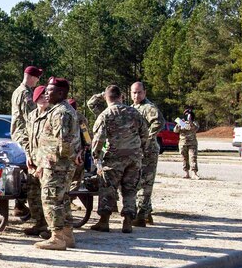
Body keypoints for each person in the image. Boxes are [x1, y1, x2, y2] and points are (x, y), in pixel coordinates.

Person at [89, 85, 149, 234]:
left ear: (106, 98)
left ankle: (104, 221)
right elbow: (145, 134)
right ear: (121, 96)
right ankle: (127, 222)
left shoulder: (105, 115)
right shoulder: (134, 112)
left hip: (113, 158)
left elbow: (98, 139)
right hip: (134, 158)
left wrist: (96, 157)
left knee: (107, 189)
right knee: (130, 190)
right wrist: (139, 150)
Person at [31, 77, 80, 250]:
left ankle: (57, 237)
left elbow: (64, 142)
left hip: (56, 166)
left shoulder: (61, 112)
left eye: (49, 90)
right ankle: (67, 236)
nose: (45, 93)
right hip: (56, 165)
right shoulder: (58, 110)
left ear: (60, 93)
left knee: (51, 199)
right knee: (62, 200)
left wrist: (51, 163)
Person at [130, 81, 164, 226]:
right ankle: (147, 212)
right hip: (137, 150)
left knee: (145, 183)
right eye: (134, 92)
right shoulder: (133, 108)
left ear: (145, 92)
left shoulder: (148, 107)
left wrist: (147, 139)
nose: (136, 95)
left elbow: (159, 122)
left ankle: (141, 216)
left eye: (139, 92)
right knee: (137, 182)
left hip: (148, 151)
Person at [10, 65, 43, 218]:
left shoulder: (18, 91)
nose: (38, 80)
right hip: (25, 136)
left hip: (20, 134)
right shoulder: (26, 94)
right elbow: (32, 117)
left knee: (25, 173)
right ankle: (23, 204)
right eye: (37, 77)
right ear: (31, 77)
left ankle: (21, 204)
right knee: (31, 172)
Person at [21, 86, 49, 237]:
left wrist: (44, 162)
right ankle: (39, 223)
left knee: (48, 195)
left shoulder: (53, 114)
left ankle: (51, 228)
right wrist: (27, 154)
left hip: (47, 162)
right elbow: (27, 137)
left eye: (46, 96)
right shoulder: (32, 116)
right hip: (33, 161)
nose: (44, 98)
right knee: (33, 194)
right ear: (36, 99)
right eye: (41, 97)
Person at [176, 108, 200, 179]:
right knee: (184, 158)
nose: (188, 116)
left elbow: (195, 128)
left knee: (193, 158)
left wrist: (190, 122)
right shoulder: (181, 122)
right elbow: (175, 130)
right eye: (186, 115)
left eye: (189, 115)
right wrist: (179, 124)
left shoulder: (194, 123)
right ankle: (186, 173)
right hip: (183, 143)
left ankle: (194, 173)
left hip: (192, 143)